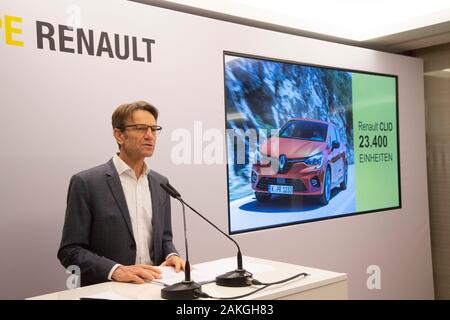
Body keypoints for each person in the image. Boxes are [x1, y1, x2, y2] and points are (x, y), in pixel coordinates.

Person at [58, 101, 184, 286]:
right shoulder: (86, 183)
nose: (150, 136)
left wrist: (172, 255)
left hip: (155, 287)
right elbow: (70, 251)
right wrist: (116, 270)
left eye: (154, 129)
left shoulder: (160, 183)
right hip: (110, 289)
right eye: (141, 128)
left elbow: (165, 238)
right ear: (119, 135)